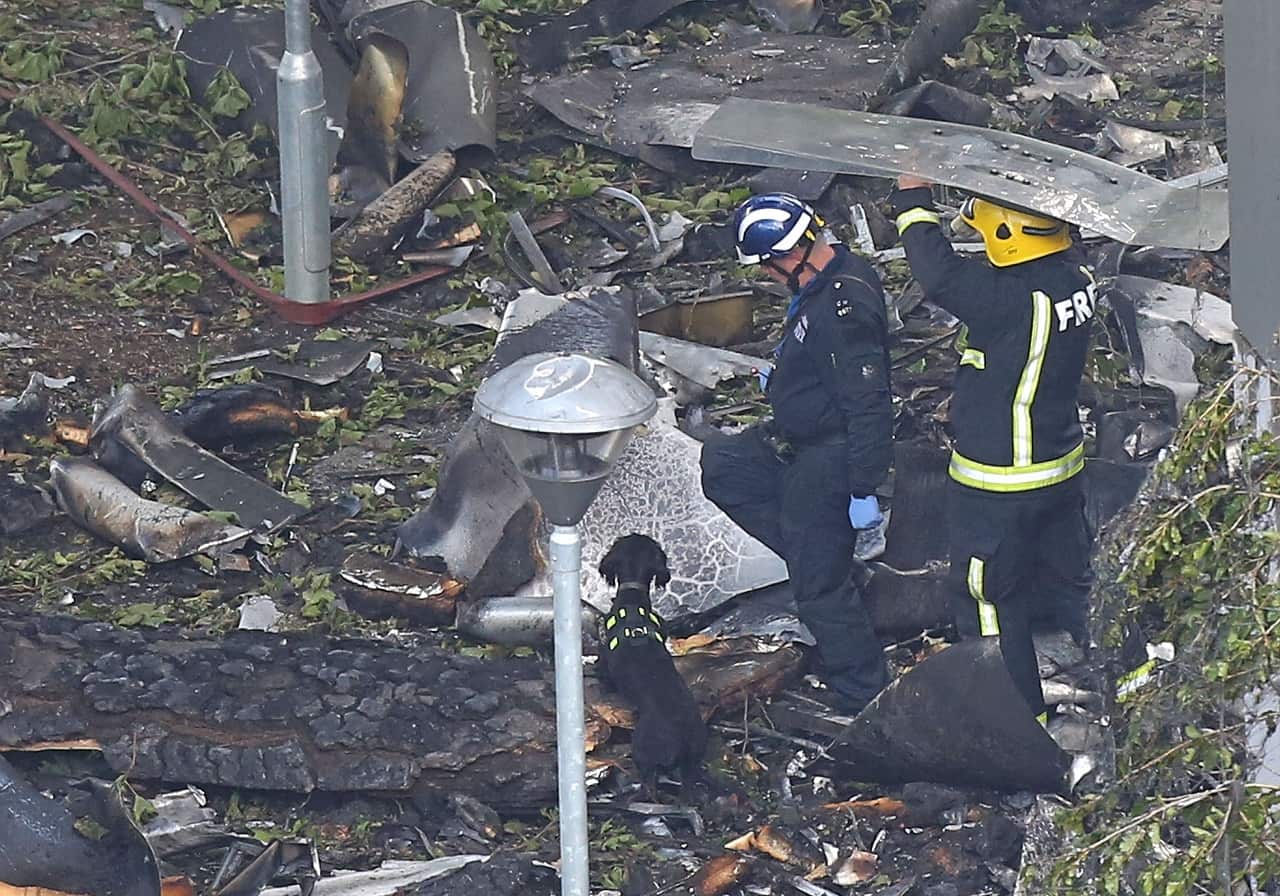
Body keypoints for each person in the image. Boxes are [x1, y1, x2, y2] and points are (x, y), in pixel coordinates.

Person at [890, 175, 1096, 718]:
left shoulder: (1005, 297)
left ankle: (1013, 718)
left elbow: (938, 276)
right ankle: (1133, 683)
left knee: (986, 599)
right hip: (1061, 468)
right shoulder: (1074, 279)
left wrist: (912, 199)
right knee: (1074, 583)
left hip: (1001, 481)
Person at [700, 192, 893, 714]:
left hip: (832, 456)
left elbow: (869, 402)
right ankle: (818, 555)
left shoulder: (842, 308)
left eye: (766, 268)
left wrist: (862, 488)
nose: (766, 278)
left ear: (784, 258)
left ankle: (865, 695)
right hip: (799, 441)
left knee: (820, 591)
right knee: (724, 466)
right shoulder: (826, 282)